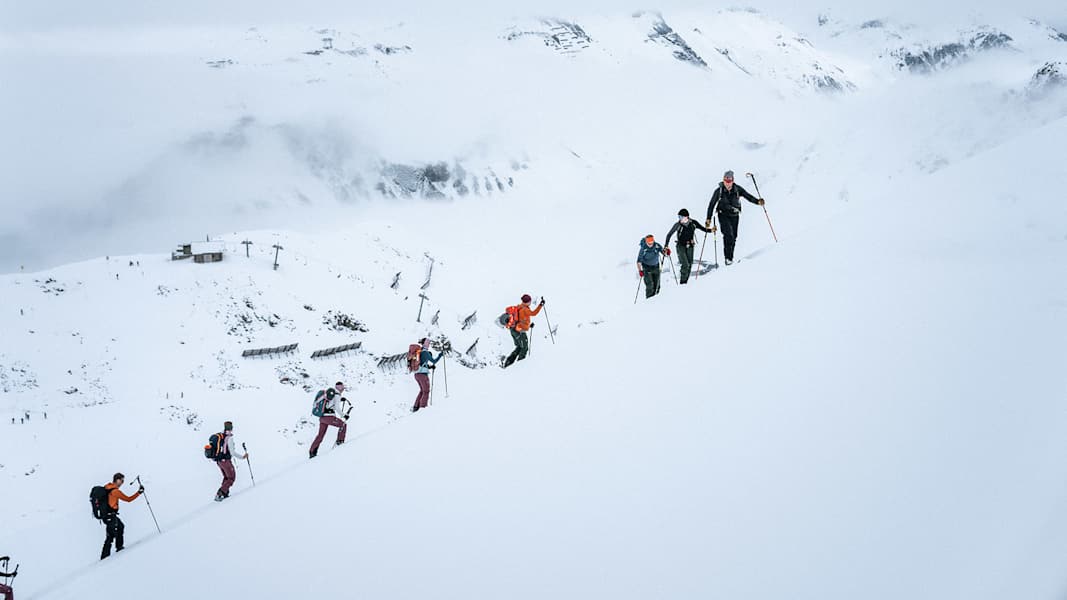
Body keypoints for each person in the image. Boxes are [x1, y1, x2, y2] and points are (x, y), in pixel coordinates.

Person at [705, 170, 764, 265]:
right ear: (723, 180)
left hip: (735, 215)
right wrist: (708, 218)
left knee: (734, 236)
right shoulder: (718, 191)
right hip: (723, 214)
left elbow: (747, 196)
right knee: (728, 234)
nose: (727, 183)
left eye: (729, 181)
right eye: (726, 180)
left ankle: (730, 258)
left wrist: (757, 202)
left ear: (732, 180)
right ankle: (728, 258)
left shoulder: (737, 189)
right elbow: (711, 204)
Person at [99, 473, 143, 559]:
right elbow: (128, 499)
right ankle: (105, 558)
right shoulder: (115, 491)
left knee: (120, 527)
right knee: (110, 536)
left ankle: (119, 547)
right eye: (122, 480)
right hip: (110, 516)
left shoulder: (107, 487)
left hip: (109, 516)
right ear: (117, 480)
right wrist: (139, 493)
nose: (122, 483)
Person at [664, 208, 712, 284]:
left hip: (690, 245)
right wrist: (666, 246)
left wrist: (711, 230)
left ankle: (685, 282)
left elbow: (703, 228)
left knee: (690, 264)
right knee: (685, 264)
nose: (679, 219)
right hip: (680, 246)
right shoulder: (678, 225)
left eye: (681, 217)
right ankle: (682, 282)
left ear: (686, 217)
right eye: (679, 217)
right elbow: (669, 235)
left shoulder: (693, 223)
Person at [502, 294, 544, 368]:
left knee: (519, 347)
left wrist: (528, 325)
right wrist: (540, 305)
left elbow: (521, 319)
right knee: (524, 348)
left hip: (513, 330)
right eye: (530, 301)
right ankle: (520, 366)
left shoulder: (519, 306)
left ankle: (508, 362)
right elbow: (534, 313)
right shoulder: (525, 309)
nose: (530, 302)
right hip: (519, 332)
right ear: (527, 302)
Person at [309, 383, 348, 458]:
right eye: (342, 387)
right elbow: (336, 407)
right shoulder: (337, 394)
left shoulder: (330, 393)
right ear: (339, 387)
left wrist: (340, 400)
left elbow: (330, 403)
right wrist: (344, 415)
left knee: (320, 435)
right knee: (343, 424)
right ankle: (339, 442)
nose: (343, 389)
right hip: (329, 417)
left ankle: (312, 452)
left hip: (322, 418)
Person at [213, 421, 249, 501]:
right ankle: (220, 493)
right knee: (231, 478)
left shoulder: (221, 436)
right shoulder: (229, 438)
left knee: (226, 477)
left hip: (219, 461)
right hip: (226, 461)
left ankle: (225, 493)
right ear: (231, 428)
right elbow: (232, 453)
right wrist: (243, 457)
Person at [412, 339, 442, 412]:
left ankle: (416, 406)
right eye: (429, 344)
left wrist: (430, 367)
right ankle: (422, 408)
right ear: (426, 344)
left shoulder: (418, 352)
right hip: (423, 375)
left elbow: (422, 364)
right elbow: (434, 361)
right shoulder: (426, 352)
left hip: (416, 374)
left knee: (422, 391)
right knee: (426, 391)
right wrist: (440, 355)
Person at [637, 234, 666, 298]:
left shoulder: (657, 245)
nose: (651, 244)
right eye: (649, 242)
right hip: (647, 268)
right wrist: (640, 270)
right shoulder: (643, 249)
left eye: (652, 242)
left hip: (656, 267)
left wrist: (666, 252)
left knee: (657, 285)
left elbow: (663, 252)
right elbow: (639, 261)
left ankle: (656, 299)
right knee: (650, 286)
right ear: (646, 242)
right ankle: (649, 301)